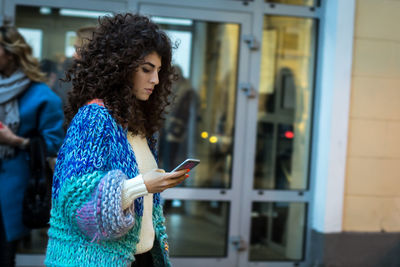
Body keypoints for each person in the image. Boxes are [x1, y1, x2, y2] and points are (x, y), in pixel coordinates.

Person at [45, 13, 189, 267]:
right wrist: (142, 185)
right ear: (120, 67)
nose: (155, 80)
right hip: (96, 259)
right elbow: (75, 201)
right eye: (147, 69)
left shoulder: (139, 123)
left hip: (140, 256)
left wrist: (153, 184)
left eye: (159, 71)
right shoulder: (95, 117)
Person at [0, 23, 64, 267]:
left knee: (4, 255)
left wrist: (14, 141)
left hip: (14, 191)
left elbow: (53, 144)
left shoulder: (42, 96)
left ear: (11, 52)